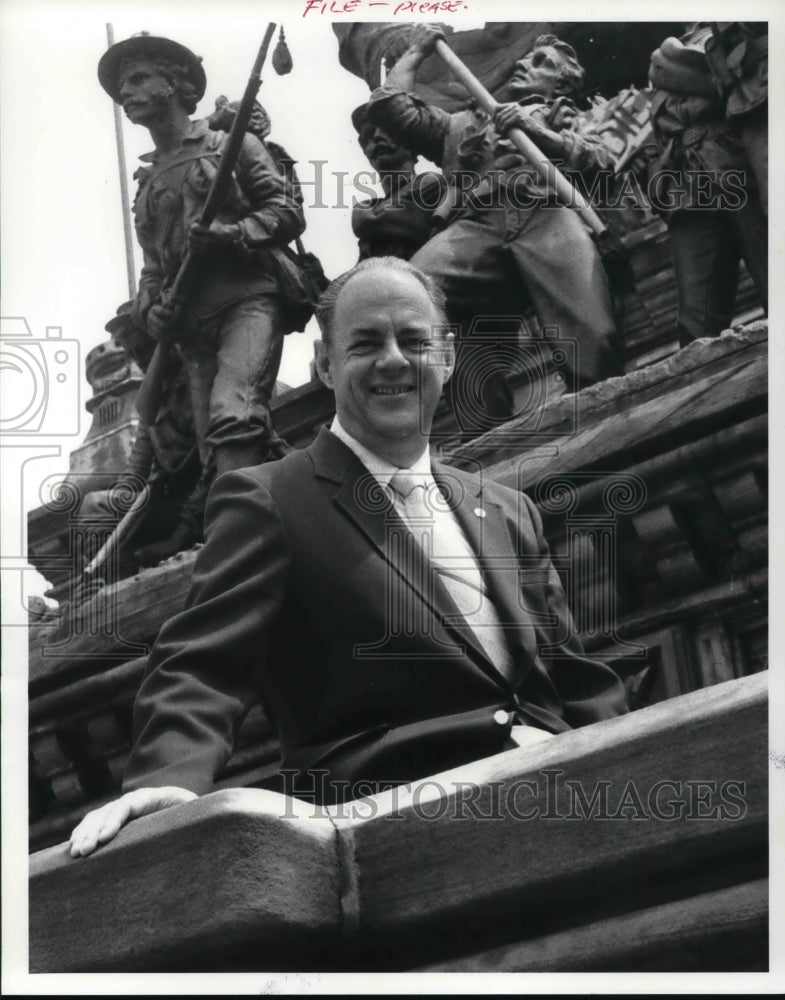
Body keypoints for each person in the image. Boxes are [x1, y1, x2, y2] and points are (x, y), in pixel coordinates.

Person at [69, 257, 628, 858]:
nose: (393, 358)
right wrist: (167, 781)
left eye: (414, 341)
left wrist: (635, 760)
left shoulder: (508, 508)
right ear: (325, 367)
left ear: (448, 357)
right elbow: (203, 666)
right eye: (365, 344)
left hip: (570, 804)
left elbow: (576, 678)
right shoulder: (270, 498)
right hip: (401, 835)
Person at [97, 33, 306, 559]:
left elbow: (285, 213)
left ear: (177, 84)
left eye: (140, 78)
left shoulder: (229, 145)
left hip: (246, 300)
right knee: (214, 445)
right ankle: (256, 518)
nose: (127, 91)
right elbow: (151, 271)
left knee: (233, 414)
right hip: (191, 330)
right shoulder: (147, 184)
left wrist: (232, 235)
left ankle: (238, 543)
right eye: (123, 84)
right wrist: (153, 311)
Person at [364, 25, 624, 392]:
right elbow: (388, 105)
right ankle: (478, 412)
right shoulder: (461, 124)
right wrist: (417, 51)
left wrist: (538, 133)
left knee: (593, 335)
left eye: (540, 62)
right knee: (408, 294)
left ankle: (605, 412)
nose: (523, 64)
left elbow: (602, 160)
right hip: (476, 224)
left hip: (545, 214)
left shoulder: (568, 116)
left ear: (563, 85)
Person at [648, 25, 767, 346]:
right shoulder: (664, 63)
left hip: (739, 169)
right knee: (695, 317)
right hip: (690, 189)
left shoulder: (732, 33)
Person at [350, 103, 443, 261]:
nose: (377, 137)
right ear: (364, 149)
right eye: (369, 135)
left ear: (412, 144)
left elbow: (368, 220)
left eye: (388, 130)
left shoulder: (432, 184)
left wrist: (363, 214)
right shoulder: (371, 210)